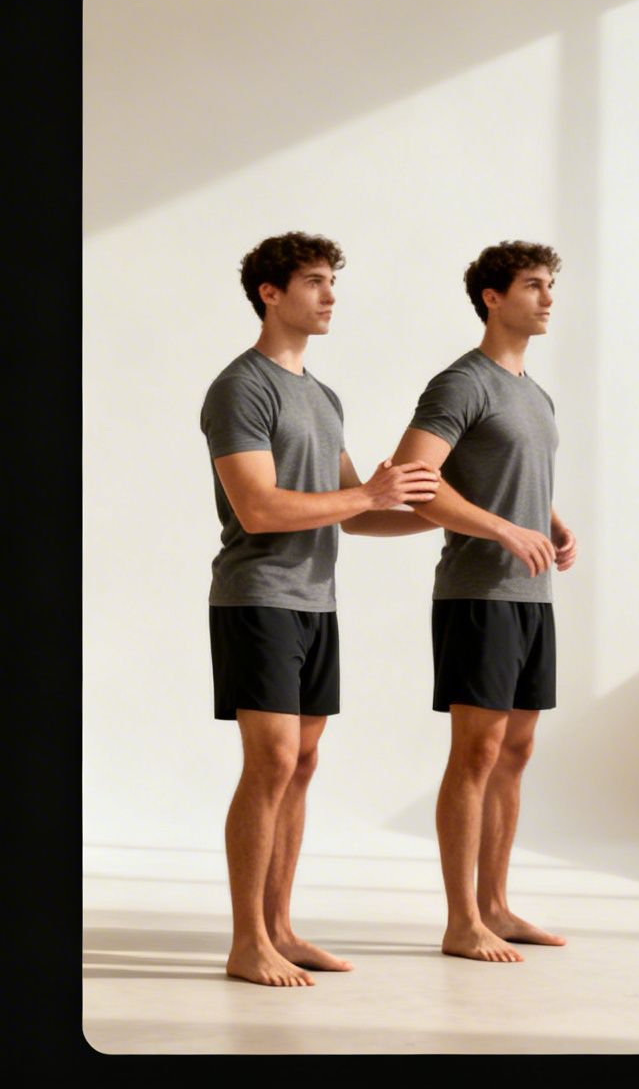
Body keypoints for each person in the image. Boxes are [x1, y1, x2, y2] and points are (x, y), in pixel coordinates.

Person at [203, 232, 443, 987]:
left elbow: (355, 514)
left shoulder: (324, 396)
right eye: (314, 281)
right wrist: (368, 492)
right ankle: (247, 941)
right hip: (257, 597)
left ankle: (279, 927)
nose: (330, 295)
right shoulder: (241, 388)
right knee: (272, 760)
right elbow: (259, 506)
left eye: (332, 280)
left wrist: (449, 519)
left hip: (317, 602)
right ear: (270, 293)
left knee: (302, 765)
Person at [389, 240, 577, 962]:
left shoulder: (535, 393)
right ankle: (461, 920)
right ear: (493, 298)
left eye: (550, 285)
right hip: (478, 594)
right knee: (476, 752)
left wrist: (548, 519)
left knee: (516, 751)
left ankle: (495, 905)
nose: (548, 298)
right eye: (533, 285)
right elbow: (415, 479)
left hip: (533, 595)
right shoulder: (461, 383)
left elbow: (508, 473)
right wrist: (502, 527)